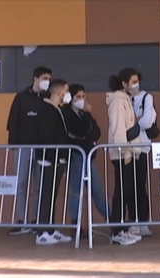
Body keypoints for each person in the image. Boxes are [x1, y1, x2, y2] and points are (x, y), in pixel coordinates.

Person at [6, 66, 52, 236]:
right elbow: (13, 123)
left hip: (43, 149)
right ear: (35, 79)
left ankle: (37, 220)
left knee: (40, 186)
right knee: (21, 184)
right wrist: (14, 146)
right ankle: (23, 220)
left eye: (49, 78)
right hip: (23, 147)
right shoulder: (21, 98)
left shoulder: (48, 98)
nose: (47, 81)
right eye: (44, 78)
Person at [62, 84, 109, 237]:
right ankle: (76, 227)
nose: (82, 100)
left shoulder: (84, 113)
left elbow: (96, 131)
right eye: (78, 97)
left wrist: (87, 130)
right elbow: (79, 131)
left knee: (97, 191)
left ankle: (115, 221)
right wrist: (88, 119)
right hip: (76, 155)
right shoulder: (66, 113)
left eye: (83, 96)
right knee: (76, 191)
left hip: (88, 155)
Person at [106, 70, 143, 245]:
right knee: (121, 191)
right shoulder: (118, 102)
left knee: (126, 190)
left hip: (128, 152)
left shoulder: (125, 100)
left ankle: (122, 229)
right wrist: (123, 151)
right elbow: (118, 129)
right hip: (122, 153)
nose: (137, 84)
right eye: (133, 81)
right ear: (124, 83)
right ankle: (117, 231)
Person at [34, 79, 73, 245]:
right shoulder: (46, 110)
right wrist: (54, 157)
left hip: (57, 160)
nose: (67, 94)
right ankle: (42, 232)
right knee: (46, 196)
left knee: (52, 196)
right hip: (49, 161)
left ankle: (50, 229)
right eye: (66, 90)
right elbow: (46, 136)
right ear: (59, 92)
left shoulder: (56, 109)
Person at [118, 68, 155, 237]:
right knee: (128, 185)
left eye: (136, 81)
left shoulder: (147, 97)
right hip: (127, 148)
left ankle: (143, 221)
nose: (134, 84)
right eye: (131, 81)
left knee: (140, 185)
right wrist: (136, 122)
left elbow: (147, 122)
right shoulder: (122, 98)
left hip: (142, 146)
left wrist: (132, 123)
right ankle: (132, 219)